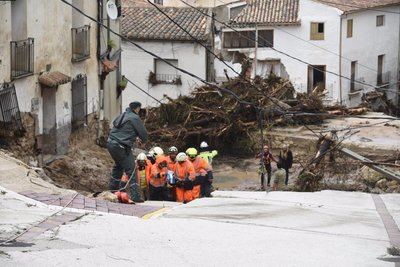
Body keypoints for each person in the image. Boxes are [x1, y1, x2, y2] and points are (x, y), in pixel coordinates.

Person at [107, 102, 148, 199]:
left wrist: (134, 137)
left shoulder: (122, 115)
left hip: (110, 143)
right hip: (121, 146)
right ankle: (136, 196)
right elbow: (143, 134)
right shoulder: (135, 117)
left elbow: (122, 130)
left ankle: (112, 191)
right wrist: (143, 141)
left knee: (119, 166)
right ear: (137, 108)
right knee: (131, 169)